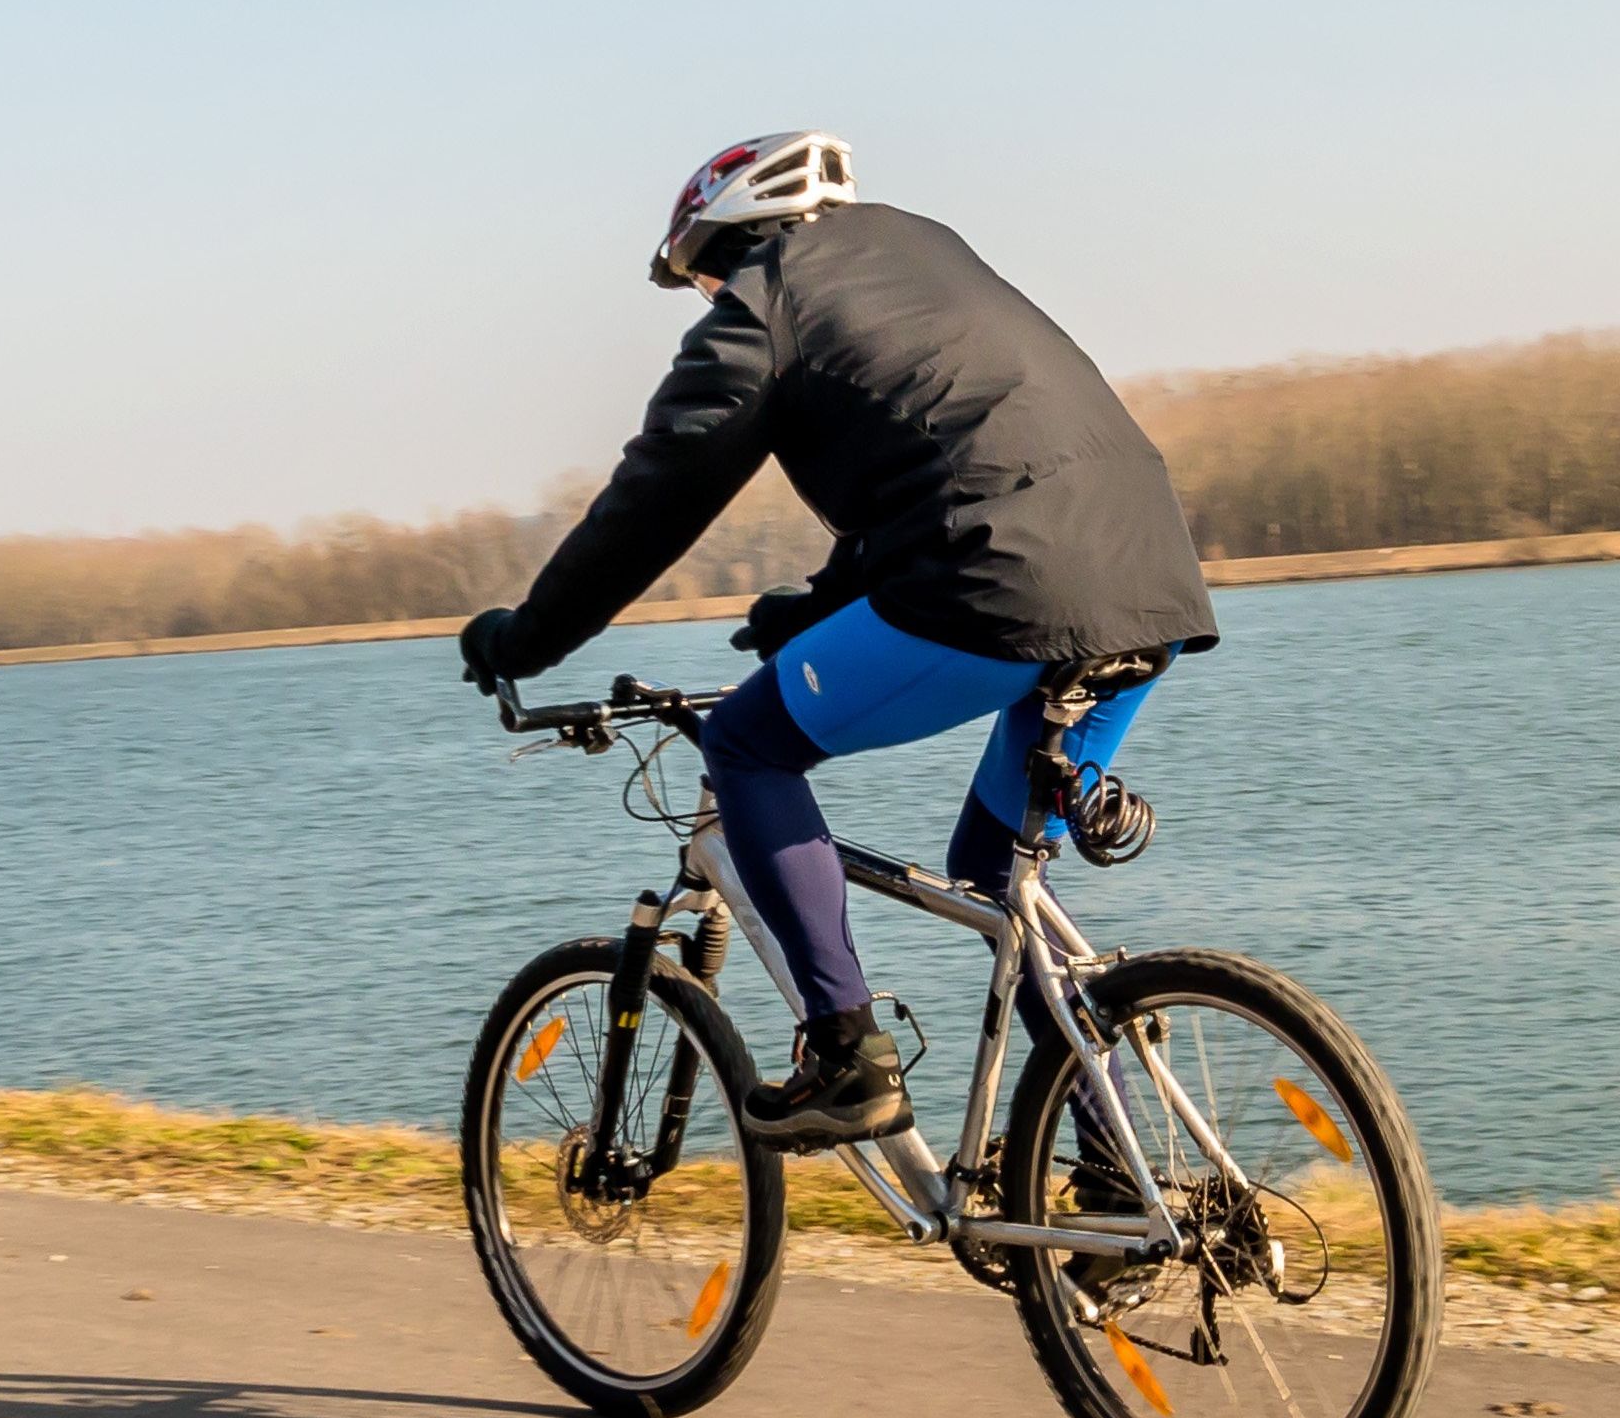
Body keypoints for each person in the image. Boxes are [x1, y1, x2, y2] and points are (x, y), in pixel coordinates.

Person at [460, 133, 1216, 1150]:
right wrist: (813, 609)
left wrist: (528, 635)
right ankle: (1119, 1165)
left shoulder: (767, 295)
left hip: (999, 583)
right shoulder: (922, 252)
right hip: (1148, 576)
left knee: (746, 744)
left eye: (704, 278)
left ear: (733, 240)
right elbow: (958, 447)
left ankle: (846, 1052)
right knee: (990, 867)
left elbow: (658, 491)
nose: (711, 300)